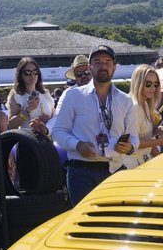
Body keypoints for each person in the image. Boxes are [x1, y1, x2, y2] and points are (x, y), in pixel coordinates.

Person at [52, 45, 140, 204]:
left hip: (114, 170)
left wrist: (130, 147)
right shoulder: (73, 96)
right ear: (89, 67)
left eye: (107, 62)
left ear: (115, 67)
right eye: (98, 62)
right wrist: (77, 145)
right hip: (81, 172)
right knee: (86, 225)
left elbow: (134, 137)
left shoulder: (125, 100)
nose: (103, 66)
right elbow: (58, 132)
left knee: (114, 224)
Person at [123, 64, 163, 170]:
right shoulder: (135, 106)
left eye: (156, 84)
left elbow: (143, 134)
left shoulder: (145, 104)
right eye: (148, 84)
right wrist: (161, 141)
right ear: (138, 83)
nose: (153, 88)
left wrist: (156, 131)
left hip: (143, 162)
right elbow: (132, 142)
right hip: (132, 166)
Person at [4, 56, 54, 137]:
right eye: (28, 72)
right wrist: (28, 109)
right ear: (21, 75)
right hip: (27, 141)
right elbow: (12, 124)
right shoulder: (16, 95)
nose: (32, 75)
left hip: (46, 141)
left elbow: (54, 116)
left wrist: (46, 120)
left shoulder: (45, 93)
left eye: (35, 71)